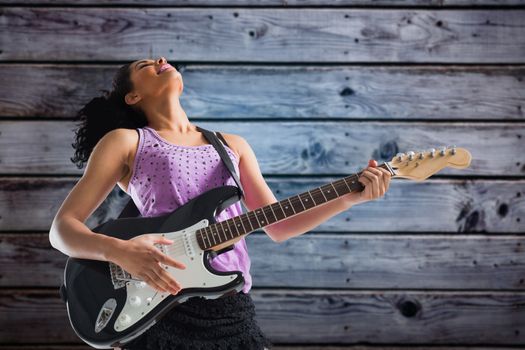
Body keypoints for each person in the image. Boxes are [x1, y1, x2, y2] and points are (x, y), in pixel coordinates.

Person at [48, 56, 392, 350]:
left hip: (231, 306)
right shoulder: (127, 141)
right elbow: (63, 230)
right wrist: (119, 252)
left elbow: (278, 225)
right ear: (133, 95)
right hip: (159, 306)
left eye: (159, 60)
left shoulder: (232, 146)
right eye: (145, 65)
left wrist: (349, 198)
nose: (159, 61)